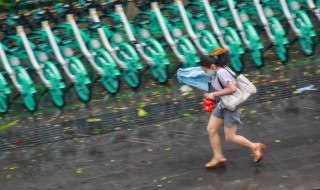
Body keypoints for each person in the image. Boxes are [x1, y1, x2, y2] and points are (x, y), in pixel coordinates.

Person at [200, 47, 266, 169]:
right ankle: (218, 156)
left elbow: (231, 89)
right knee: (211, 129)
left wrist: (214, 94)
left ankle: (254, 146)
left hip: (231, 107)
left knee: (230, 137)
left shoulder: (221, 72)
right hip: (223, 104)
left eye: (204, 68)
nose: (203, 71)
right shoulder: (220, 69)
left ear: (212, 66)